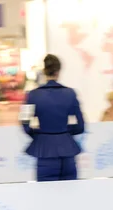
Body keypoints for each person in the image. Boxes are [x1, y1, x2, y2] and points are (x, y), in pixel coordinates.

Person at [21, 54, 85, 182]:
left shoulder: (32, 95)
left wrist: (40, 134)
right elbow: (81, 126)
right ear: (59, 71)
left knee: (46, 196)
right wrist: (64, 132)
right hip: (68, 150)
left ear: (44, 71)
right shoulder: (71, 93)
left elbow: (24, 123)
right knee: (71, 194)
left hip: (44, 151)